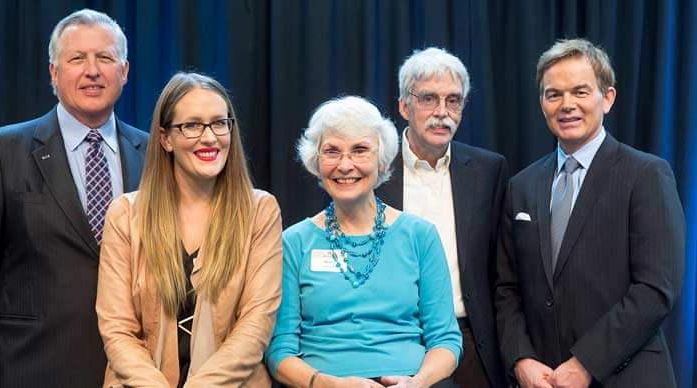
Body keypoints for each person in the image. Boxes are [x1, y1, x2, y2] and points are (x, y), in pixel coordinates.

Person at [0, 9, 147, 387]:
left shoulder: (153, 156)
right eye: (76, 59)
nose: (92, 70)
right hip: (29, 372)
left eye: (104, 58)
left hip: (131, 376)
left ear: (125, 72)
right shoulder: (2, 152)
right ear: (54, 73)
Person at [494, 38, 684, 388]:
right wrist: (521, 358)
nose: (567, 105)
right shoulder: (521, 186)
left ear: (607, 98)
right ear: (542, 103)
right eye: (554, 94)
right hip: (543, 380)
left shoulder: (646, 175)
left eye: (580, 92)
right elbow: (507, 288)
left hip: (627, 376)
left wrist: (586, 363)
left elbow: (656, 288)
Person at [96, 72, 283, 387]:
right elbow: (117, 329)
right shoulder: (126, 214)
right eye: (192, 125)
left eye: (219, 123)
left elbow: (256, 324)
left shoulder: (260, 211)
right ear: (166, 138)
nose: (209, 137)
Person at [266, 96, 462, 388]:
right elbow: (280, 350)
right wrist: (330, 385)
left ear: (382, 161)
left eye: (360, 150)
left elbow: (445, 340)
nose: (345, 165)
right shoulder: (294, 242)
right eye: (332, 151)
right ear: (316, 162)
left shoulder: (420, 236)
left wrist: (416, 383)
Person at [376, 47, 508, 388]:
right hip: (396, 343)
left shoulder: (488, 170)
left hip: (470, 344)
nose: (442, 113)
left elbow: (500, 269)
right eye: (429, 99)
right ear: (404, 106)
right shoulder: (374, 171)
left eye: (453, 100)